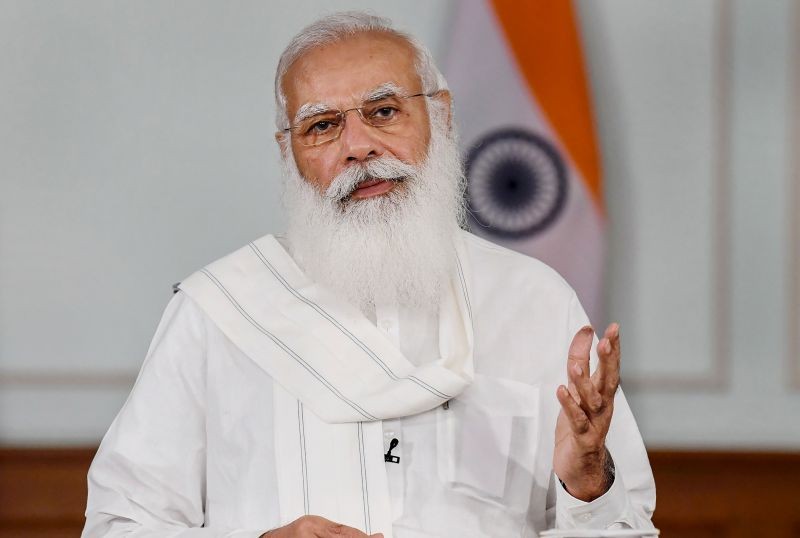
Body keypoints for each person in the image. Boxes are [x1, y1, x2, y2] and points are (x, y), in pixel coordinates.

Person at [82, 12, 655, 538]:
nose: (358, 147)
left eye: (383, 111)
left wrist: (588, 484)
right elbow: (117, 526)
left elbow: (627, 529)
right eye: (323, 126)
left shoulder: (534, 301)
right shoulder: (218, 312)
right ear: (289, 152)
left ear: (441, 114)